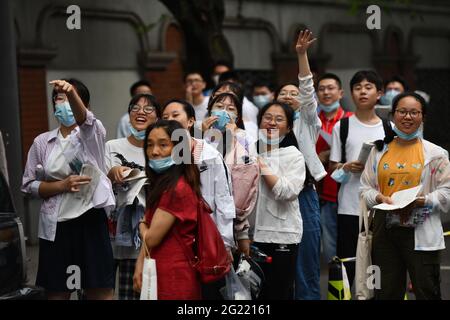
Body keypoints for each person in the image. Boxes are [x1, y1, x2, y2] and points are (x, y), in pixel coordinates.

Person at [22, 79, 115, 300]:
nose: (63, 104)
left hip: (90, 221)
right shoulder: (42, 142)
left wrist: (71, 92)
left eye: (69, 99)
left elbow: (86, 122)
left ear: (85, 105)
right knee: (57, 292)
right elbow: (28, 185)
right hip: (57, 227)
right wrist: (60, 186)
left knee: (99, 290)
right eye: (58, 99)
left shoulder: (92, 134)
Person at [360, 92, 450, 300]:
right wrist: (380, 198)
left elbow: (446, 191)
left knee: (427, 290)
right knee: (386, 291)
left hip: (422, 225)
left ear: (423, 117)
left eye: (414, 112)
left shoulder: (436, 154)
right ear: (393, 115)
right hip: (384, 227)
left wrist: (423, 201)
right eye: (402, 111)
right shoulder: (379, 151)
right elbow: (365, 189)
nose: (407, 117)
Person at [161, 100, 236, 299]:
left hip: (205, 238)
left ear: (191, 121)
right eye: (165, 117)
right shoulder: (159, 155)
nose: (169, 120)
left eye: (175, 115)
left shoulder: (210, 156)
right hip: (171, 237)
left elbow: (224, 200)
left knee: (207, 294)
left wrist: (225, 243)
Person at [274, 30, 326, 300]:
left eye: (292, 93)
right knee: (277, 265)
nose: (288, 96)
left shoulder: (306, 122)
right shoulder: (265, 132)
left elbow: (307, 88)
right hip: (272, 198)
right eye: (282, 93)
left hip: (303, 195)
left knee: (306, 262)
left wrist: (302, 54)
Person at [237, 101, 305, 300]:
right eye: (267, 117)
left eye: (279, 119)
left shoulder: (294, 155)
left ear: (289, 127)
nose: (271, 123)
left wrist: (262, 165)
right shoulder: (247, 152)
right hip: (250, 236)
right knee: (252, 295)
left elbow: (287, 191)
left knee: (279, 293)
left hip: (281, 237)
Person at [329, 70, 389, 287]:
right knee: (348, 261)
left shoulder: (388, 128)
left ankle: (375, 294)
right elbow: (333, 167)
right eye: (358, 88)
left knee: (377, 261)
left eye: (368, 87)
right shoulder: (342, 126)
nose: (363, 91)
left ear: (379, 93)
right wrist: (346, 166)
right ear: (351, 94)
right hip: (349, 206)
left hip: (380, 206)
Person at [133, 120, 203, 300]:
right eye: (149, 145)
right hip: (160, 272)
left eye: (163, 145)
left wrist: (141, 224)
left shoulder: (177, 189)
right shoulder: (165, 185)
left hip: (174, 278)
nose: (154, 151)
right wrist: (140, 264)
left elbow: (151, 237)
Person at [105, 93, 160, 300]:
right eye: (135, 108)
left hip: (141, 237)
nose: (141, 113)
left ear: (158, 117)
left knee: (134, 295)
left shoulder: (160, 150)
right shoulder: (112, 146)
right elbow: (100, 183)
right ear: (128, 115)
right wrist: (112, 174)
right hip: (110, 233)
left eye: (148, 109)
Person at [315, 73, 353, 264]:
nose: (326, 92)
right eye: (321, 89)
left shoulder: (350, 120)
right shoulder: (312, 122)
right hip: (321, 191)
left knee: (351, 245)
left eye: (330, 88)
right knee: (329, 247)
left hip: (347, 190)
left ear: (340, 93)